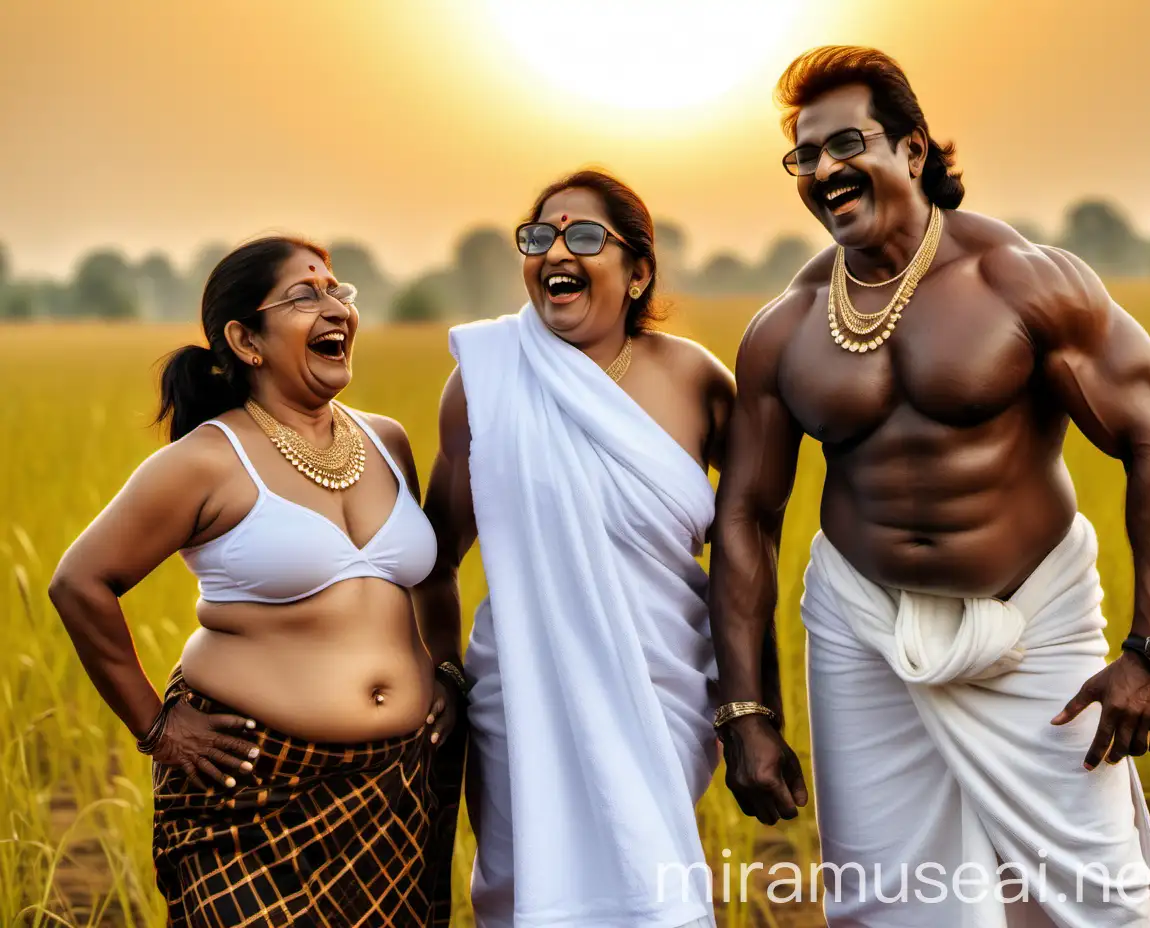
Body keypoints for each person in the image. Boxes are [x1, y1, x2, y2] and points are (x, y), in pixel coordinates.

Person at [707, 45, 1150, 926]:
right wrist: (746, 711)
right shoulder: (784, 329)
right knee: (889, 903)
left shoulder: (1022, 282)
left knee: (1095, 900)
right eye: (804, 156)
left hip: (1035, 628)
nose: (823, 170)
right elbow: (746, 513)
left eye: (844, 143)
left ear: (913, 150)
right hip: (863, 635)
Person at [47, 236, 467, 927]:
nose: (335, 308)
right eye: (306, 295)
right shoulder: (207, 461)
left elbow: (427, 577)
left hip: (393, 787)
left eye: (338, 290)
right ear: (245, 340)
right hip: (252, 791)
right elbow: (78, 582)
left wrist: (444, 670)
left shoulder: (387, 441)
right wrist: (157, 727)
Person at [414, 169, 735, 928]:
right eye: (539, 236)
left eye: (585, 236)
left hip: (662, 692)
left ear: (639, 271)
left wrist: (751, 709)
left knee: (651, 892)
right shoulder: (485, 380)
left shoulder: (694, 380)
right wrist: (448, 674)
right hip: (521, 699)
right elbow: (435, 560)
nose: (556, 251)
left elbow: (750, 532)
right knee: (532, 894)